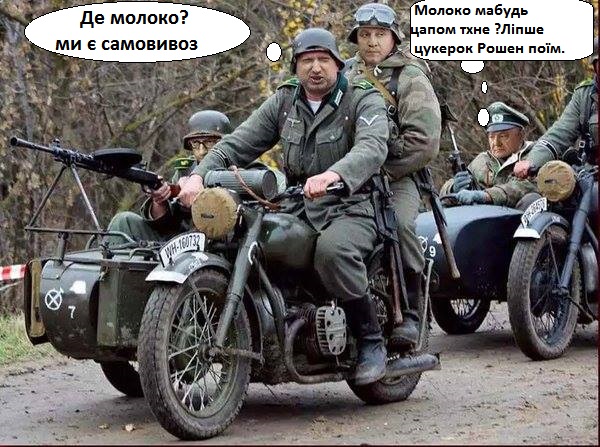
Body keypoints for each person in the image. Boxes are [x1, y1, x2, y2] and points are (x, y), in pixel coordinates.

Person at [178, 28, 390, 385]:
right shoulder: (285, 100)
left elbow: (372, 147)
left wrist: (334, 175)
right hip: (297, 203)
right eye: (307, 60)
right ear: (296, 66)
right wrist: (198, 177)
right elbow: (237, 143)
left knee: (333, 252)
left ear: (338, 64)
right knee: (250, 239)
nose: (316, 68)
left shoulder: (362, 98)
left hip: (353, 204)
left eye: (323, 60)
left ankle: (371, 340)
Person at [345, 2, 441, 347]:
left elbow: (424, 143)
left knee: (398, 225)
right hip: (348, 175)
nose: (372, 42)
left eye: (380, 34)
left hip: (398, 176)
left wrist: (382, 170)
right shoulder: (343, 74)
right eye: (365, 34)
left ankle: (411, 312)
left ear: (394, 38)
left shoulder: (410, 77)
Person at [105, 110, 232, 245]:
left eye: (209, 142)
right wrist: (160, 200)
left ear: (224, 144)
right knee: (123, 220)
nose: (201, 151)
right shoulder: (185, 170)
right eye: (195, 143)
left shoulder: (239, 171)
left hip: (224, 244)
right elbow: (165, 224)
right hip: (180, 244)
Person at [514, 37, 598, 178]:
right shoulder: (585, 96)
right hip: (592, 175)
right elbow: (559, 135)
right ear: (594, 66)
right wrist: (531, 161)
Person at [441, 101, 539, 209]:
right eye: (492, 137)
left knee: (531, 199)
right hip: (485, 217)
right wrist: (453, 188)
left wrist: (485, 196)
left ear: (521, 135)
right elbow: (443, 194)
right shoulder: (482, 161)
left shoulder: (535, 156)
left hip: (520, 217)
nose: (496, 143)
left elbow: (523, 188)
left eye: (503, 136)